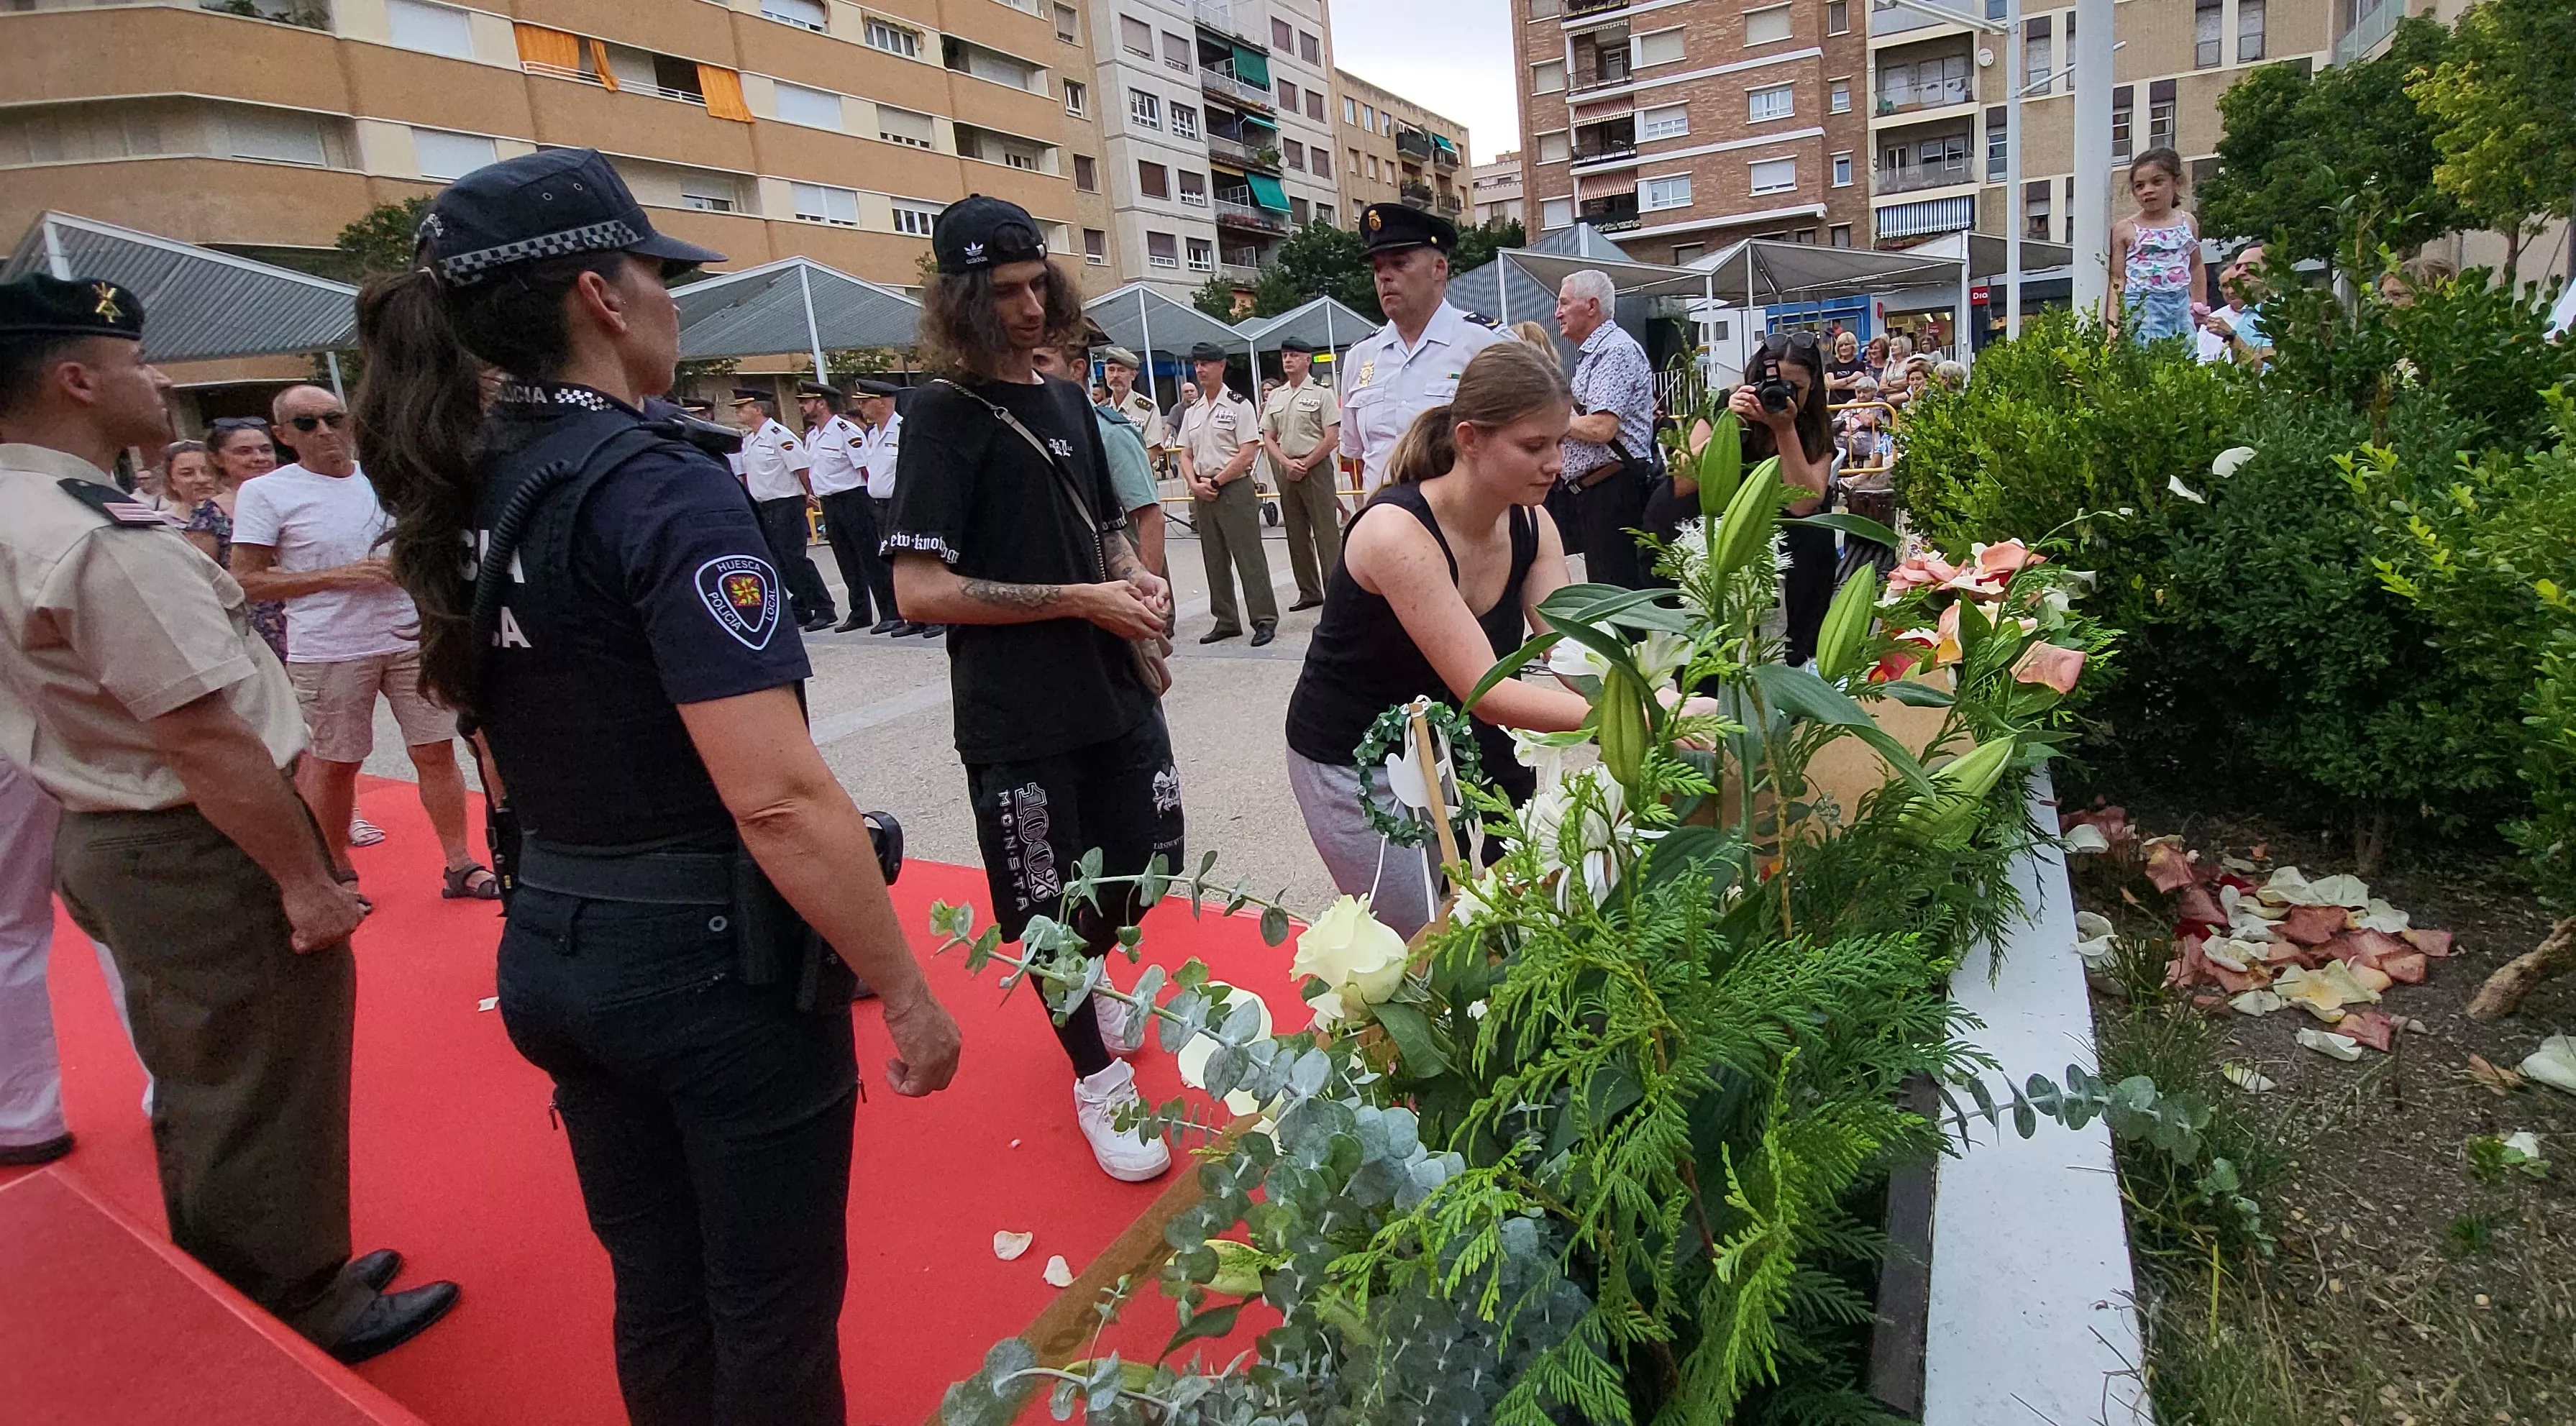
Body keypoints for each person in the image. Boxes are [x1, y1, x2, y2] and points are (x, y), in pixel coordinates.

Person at [352, 148, 961, 1422]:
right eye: (658, 276)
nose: (675, 302)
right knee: (771, 1309)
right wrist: (902, 987)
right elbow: (779, 797)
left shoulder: (467, 473)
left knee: (660, 1287)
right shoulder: (655, 483)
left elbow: (498, 736)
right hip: (705, 966)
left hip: (561, 933)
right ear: (600, 295)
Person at [0, 270, 458, 1361]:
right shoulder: (95, 532)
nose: (156, 381)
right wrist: (305, 875)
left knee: (207, 1066)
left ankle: (260, 1267)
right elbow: (200, 729)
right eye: (135, 364)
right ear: (75, 378)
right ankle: (296, 1300)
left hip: (111, 825)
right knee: (258, 1074)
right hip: (190, 837)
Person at [882, 196, 1179, 1184]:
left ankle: (1093, 976)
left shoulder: (1061, 399)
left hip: (1110, 687)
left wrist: (1131, 584)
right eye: (1000, 290)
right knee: (1045, 904)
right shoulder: (939, 413)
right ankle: (1094, 1075)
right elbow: (917, 588)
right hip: (1016, 710)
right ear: (959, 300)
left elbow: (1099, 524)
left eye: (1035, 282)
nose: (1026, 304)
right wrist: (1081, 598)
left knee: (1144, 864)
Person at [1284, 342, 1600, 938]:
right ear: (1470, 439)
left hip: (1453, 743)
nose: (1556, 461)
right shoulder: (1395, 531)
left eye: (1560, 441)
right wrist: (1637, 715)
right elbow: (1490, 691)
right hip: (1355, 760)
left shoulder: (1534, 522)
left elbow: (1567, 650)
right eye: (1534, 445)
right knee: (1422, 947)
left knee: (1525, 910)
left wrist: (1646, 690)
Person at [229, 384, 497, 902]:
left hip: (406, 635)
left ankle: (460, 864)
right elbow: (247, 580)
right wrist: (340, 576)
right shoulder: (267, 493)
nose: (325, 431)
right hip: (329, 643)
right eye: (307, 424)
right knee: (337, 762)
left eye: (333, 417)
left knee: (436, 750)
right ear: (283, 436)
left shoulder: (385, 478)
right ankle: (334, 873)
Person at [1661, 332, 1837, 663]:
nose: (1781, 394)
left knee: (1818, 536)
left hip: (1779, 535)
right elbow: (1680, 479)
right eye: (1771, 383)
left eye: (1794, 388)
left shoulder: (1814, 425)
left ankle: (1800, 656)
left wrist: (1785, 431)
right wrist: (1730, 423)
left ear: (1812, 386)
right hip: (1706, 526)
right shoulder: (1722, 405)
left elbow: (1804, 503)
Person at [1338, 202, 1515, 497]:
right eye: (1378, 268)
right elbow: (1358, 456)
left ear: (1439, 269)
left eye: (1399, 263)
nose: (1384, 276)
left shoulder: (1488, 345)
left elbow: (1520, 444)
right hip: (1382, 527)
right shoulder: (1361, 356)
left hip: (1463, 530)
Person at [1553, 269, 1660, 590]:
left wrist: (1548, 421)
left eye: (1563, 303)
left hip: (1614, 489)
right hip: (1599, 490)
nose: (1557, 312)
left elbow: (1601, 428)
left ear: (1591, 306)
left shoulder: (1614, 351)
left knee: (1616, 596)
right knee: (1607, 591)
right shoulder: (1598, 353)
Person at [1039, 340, 1169, 584]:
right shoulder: (1049, 425)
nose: (1115, 376)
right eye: (1111, 370)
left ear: (1078, 369)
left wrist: (1146, 594)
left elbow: (1152, 517)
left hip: (1124, 533)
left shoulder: (1108, 428)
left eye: (1042, 361)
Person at [1177, 341, 1278, 646]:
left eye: (1206, 363)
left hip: (1233, 489)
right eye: (1196, 364)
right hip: (1203, 490)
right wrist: (1195, 483)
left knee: (1249, 557)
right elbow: (1184, 452)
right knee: (1214, 559)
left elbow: (1248, 452)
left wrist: (1217, 482)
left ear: (1221, 366)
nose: (1200, 369)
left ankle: (1263, 619)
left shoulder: (1239, 405)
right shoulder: (1193, 410)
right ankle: (1226, 620)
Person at [729, 387, 837, 634]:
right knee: (779, 560)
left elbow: (801, 467)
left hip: (786, 503)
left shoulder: (778, 435)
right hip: (764, 505)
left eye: (742, 407)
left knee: (794, 558)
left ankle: (823, 607)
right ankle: (800, 605)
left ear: (758, 409)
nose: (737, 412)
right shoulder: (750, 438)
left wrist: (810, 493)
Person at [796, 380, 890, 634]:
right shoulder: (814, 435)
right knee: (846, 560)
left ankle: (890, 612)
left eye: (806, 401)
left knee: (871, 557)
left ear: (822, 403)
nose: (802, 407)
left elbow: (865, 470)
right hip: (830, 502)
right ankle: (860, 612)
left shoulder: (845, 430)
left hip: (854, 499)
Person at [1261, 336, 1343, 612]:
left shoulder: (1322, 394)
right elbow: (1269, 436)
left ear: (1307, 360)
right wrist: (1285, 463)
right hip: (1287, 468)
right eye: (1285, 355)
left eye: (1294, 355)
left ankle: (1335, 590)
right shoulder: (1276, 396)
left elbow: (1331, 437)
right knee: (1296, 533)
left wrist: (1305, 464)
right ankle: (1308, 591)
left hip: (1315, 467)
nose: (1288, 360)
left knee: (1326, 531)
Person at [198, 416, 290, 661]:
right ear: (218, 459)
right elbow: (204, 580)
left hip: (312, 618)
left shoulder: (296, 500)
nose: (259, 458)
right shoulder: (210, 516)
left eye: (265, 449)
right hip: (256, 626)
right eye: (244, 452)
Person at [846, 378, 921, 636]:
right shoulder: (872, 434)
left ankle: (930, 618)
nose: (861, 407)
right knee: (893, 563)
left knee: (913, 560)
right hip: (877, 505)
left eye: (865, 401)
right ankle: (908, 616)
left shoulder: (904, 428)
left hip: (900, 504)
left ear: (882, 402)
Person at [2108, 147, 2203, 344]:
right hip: (2143, 305)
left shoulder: (2188, 222)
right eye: (2140, 186)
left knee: (2185, 357)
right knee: (2148, 356)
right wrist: (2113, 324)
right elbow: (2117, 278)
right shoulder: (2125, 229)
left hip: (2180, 304)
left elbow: (2196, 265)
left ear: (2176, 183)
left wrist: (2199, 305)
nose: (2148, 191)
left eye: (2157, 182)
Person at [2203, 242, 2273, 367]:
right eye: (2238, 267)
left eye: (2249, 266)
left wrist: (2231, 337)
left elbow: (2267, 370)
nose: (2240, 273)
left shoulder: (2286, 313)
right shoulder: (2247, 315)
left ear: (2272, 269)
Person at [1825, 329, 1868, 398]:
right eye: (1841, 345)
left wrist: (1837, 384)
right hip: (1835, 406)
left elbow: (1858, 386)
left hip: (1854, 405)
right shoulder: (1830, 365)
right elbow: (1831, 385)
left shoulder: (1860, 365)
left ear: (1853, 346)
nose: (1844, 348)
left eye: (1847, 344)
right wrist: (1851, 379)